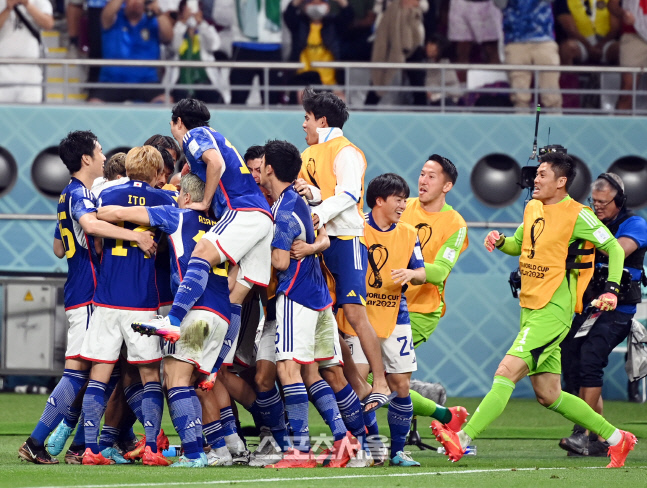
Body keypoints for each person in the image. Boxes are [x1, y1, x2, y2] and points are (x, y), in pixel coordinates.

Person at [433, 152, 637, 468]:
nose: (535, 179)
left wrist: (611, 290)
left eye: (542, 175)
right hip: (529, 308)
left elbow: (612, 247)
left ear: (561, 181)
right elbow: (519, 243)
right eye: (536, 174)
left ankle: (463, 438)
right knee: (549, 394)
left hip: (553, 310)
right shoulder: (532, 207)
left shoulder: (578, 214)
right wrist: (500, 241)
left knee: (505, 372)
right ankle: (617, 439)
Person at [18, 131, 155, 465]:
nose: (104, 154)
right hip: (90, 293)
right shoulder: (80, 194)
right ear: (86, 159)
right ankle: (40, 441)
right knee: (80, 373)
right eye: (98, 149)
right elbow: (91, 227)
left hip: (78, 289)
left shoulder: (68, 194)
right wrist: (133, 237)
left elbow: (59, 247)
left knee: (93, 373)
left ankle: (79, 445)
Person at [102, 173, 232, 468]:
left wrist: (97, 212)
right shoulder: (221, 227)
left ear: (185, 197)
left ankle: (195, 453)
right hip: (222, 313)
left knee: (175, 382)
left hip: (195, 312)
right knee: (192, 382)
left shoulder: (176, 215)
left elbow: (120, 213)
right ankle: (212, 447)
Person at [133, 99, 273, 367]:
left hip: (241, 211)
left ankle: (173, 321)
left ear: (179, 122)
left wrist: (206, 201)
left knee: (201, 253)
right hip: (261, 217)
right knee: (236, 296)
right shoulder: (214, 135)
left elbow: (216, 163)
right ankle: (217, 366)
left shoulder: (193, 136)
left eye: (172, 124)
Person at [294, 88, 393, 411]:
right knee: (328, 320)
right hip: (318, 243)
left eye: (307, 118)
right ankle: (360, 384)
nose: (303, 124)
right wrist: (308, 192)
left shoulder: (346, 151)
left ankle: (380, 383)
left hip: (346, 239)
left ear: (321, 120)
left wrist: (318, 210)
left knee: (353, 313)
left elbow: (349, 194)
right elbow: (323, 192)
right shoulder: (307, 155)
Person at [79, 146, 177, 466]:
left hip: (106, 297)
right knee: (149, 375)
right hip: (141, 301)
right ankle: (151, 447)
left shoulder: (106, 194)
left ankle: (90, 449)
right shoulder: (164, 199)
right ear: (156, 171)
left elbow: (94, 236)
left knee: (100, 374)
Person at [337, 173, 425, 466]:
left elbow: (422, 272)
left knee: (400, 384)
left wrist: (412, 274)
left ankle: (398, 451)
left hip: (395, 316)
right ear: (379, 200)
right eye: (399, 200)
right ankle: (371, 448)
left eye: (404, 200)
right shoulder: (355, 228)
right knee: (357, 383)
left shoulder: (409, 232)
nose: (404, 205)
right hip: (357, 317)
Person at [559, 173, 647, 457]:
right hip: (590, 308)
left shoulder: (635, 223)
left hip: (618, 309)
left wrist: (585, 236)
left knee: (590, 360)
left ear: (619, 200)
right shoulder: (591, 220)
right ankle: (598, 437)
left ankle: (582, 432)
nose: (597, 207)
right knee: (571, 356)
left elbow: (618, 250)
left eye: (603, 203)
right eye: (593, 202)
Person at [399, 154, 469, 425]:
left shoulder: (456, 224)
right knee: (367, 375)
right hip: (384, 304)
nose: (423, 180)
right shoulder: (403, 207)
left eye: (431, 176)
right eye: (421, 174)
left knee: (374, 375)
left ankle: (441, 413)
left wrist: (413, 273)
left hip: (421, 311)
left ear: (446, 186)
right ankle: (429, 399)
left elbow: (440, 271)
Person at [89, 0, 173, 103]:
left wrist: (158, 12)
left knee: (166, 102)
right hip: (112, 83)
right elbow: (107, 13)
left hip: (147, 83)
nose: (136, 2)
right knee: (94, 104)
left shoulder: (153, 21)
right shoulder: (112, 19)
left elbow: (169, 37)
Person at [494, 0, 562, 111]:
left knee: (551, 94)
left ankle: (554, 124)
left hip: (544, 41)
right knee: (519, 97)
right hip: (515, 42)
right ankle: (521, 124)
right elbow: (499, 4)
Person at [168, 0, 224, 104]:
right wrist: (183, 23)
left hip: (204, 82)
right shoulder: (177, 30)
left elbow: (215, 45)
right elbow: (174, 47)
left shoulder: (205, 29)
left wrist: (201, 24)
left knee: (213, 97)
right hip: (180, 84)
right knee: (181, 99)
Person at [0, 0, 53, 103]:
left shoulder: (39, 1)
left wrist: (27, 5)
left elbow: (48, 24)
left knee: (30, 113)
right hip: (3, 67)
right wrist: (8, 9)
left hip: (30, 68)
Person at [554, 0, 620, 66]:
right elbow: (571, 30)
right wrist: (589, 47)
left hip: (606, 42)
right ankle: (569, 76)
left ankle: (623, 76)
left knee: (621, 49)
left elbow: (615, 28)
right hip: (580, 42)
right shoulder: (563, 1)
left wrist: (601, 45)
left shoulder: (610, 1)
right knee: (567, 48)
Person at [609, 0, 647, 111]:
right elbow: (612, 5)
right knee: (627, 90)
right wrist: (623, 14)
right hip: (633, 35)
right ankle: (620, 127)